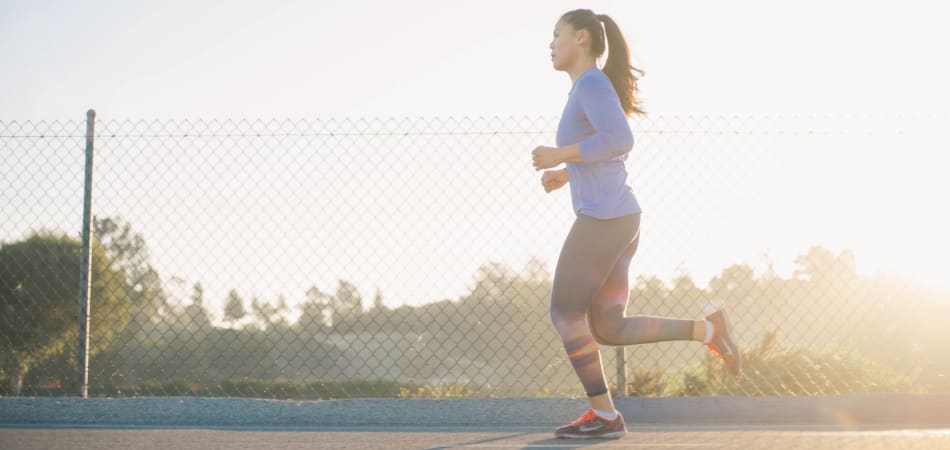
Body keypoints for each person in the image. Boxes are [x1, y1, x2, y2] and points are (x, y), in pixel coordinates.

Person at [531, 9, 741, 439]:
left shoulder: (590, 83)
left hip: (605, 219)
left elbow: (621, 140)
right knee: (608, 326)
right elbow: (607, 150)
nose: (550, 44)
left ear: (583, 38)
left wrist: (561, 154)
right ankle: (709, 330)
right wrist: (566, 172)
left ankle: (605, 417)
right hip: (620, 218)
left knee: (565, 313)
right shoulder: (586, 88)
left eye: (557, 35)